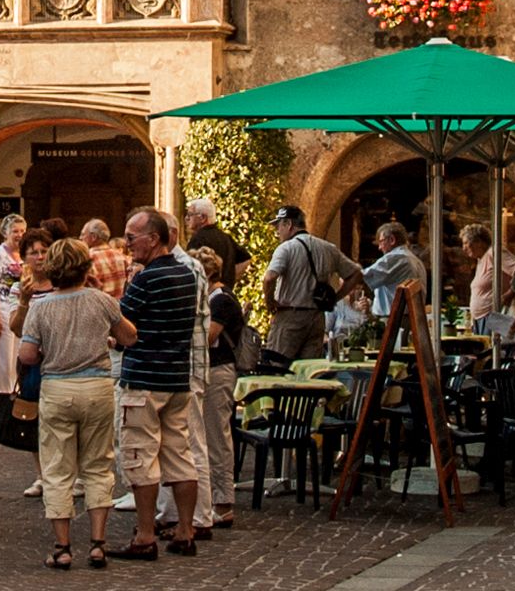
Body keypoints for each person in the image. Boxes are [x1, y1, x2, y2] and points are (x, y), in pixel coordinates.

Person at [16, 235, 126, 567]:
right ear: (84, 267)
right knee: (97, 466)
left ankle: (63, 547)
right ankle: (97, 543)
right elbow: (129, 336)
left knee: (57, 468)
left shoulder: (41, 308)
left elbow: (27, 355)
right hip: (97, 386)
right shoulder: (101, 300)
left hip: (58, 389)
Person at [111, 208, 205, 557]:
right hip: (176, 378)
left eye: (132, 237)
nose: (127, 243)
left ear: (153, 239)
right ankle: (185, 529)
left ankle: (145, 535)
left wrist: (119, 338)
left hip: (145, 379)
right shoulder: (187, 274)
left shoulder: (146, 279)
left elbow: (123, 325)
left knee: (140, 456)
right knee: (180, 455)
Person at [192, 236, 250, 528]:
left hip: (218, 371)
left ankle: (224, 500)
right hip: (209, 371)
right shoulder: (212, 298)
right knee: (207, 435)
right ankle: (211, 497)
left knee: (217, 436)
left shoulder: (221, 300)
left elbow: (209, 337)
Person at [257, 206, 357, 362]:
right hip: (317, 317)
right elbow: (355, 274)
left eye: (278, 226)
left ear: (288, 224)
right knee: (308, 370)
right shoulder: (328, 248)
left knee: (278, 366)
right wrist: (336, 298)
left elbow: (269, 278)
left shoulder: (286, 248)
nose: (277, 231)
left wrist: (270, 303)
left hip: (290, 315)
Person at [357, 221, 424, 323]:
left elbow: (363, 276)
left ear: (392, 240)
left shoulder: (396, 257)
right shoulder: (415, 260)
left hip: (394, 321)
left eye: (381, 242)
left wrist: (345, 270)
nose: (379, 248)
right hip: (408, 318)